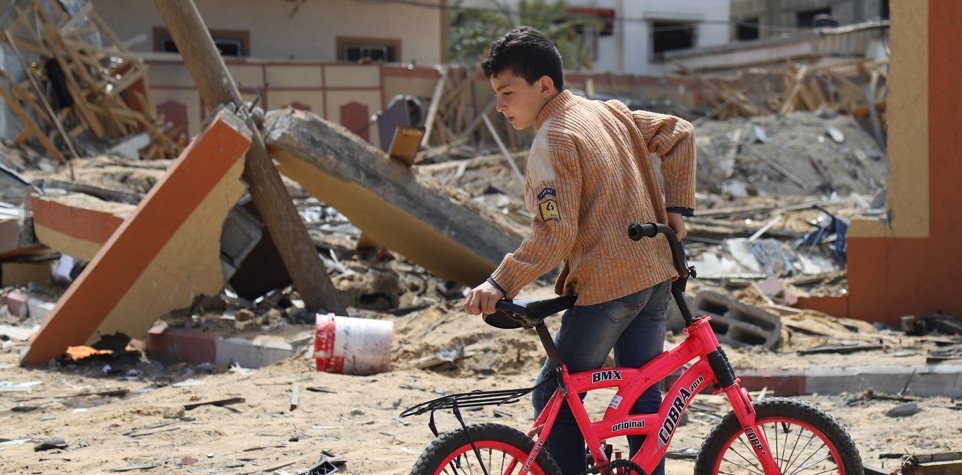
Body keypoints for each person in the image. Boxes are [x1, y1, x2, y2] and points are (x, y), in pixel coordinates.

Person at [462, 26, 697, 475]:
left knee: (554, 393)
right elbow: (679, 132)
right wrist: (676, 210)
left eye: (508, 92)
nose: (500, 106)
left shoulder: (554, 139)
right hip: (655, 278)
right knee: (642, 390)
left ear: (544, 85)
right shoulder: (608, 112)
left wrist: (499, 282)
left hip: (609, 288)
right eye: (497, 94)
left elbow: (555, 235)